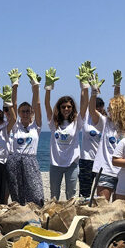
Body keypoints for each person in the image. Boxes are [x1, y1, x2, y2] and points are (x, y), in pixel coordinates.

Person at [89, 68, 125, 201]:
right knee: (102, 207)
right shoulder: (105, 123)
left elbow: (118, 101)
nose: (108, 110)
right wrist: (93, 92)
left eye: (111, 108)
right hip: (105, 171)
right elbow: (92, 110)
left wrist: (117, 87)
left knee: (119, 208)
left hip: (124, 172)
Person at [44, 66, 87, 201]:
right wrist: (48, 88)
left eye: (69, 106)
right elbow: (46, 104)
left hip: (72, 164)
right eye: (63, 107)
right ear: (59, 108)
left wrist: (84, 87)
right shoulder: (53, 123)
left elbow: (84, 104)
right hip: (55, 164)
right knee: (54, 194)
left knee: (71, 193)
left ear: (72, 108)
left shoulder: (77, 122)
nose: (66, 109)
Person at [5, 68, 44, 206]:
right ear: (19, 113)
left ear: (31, 113)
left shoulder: (36, 126)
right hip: (15, 160)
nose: (26, 113)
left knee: (36, 192)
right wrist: (14, 85)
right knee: (17, 194)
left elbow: (37, 105)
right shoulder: (15, 125)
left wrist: (35, 87)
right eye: (23, 111)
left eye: (28, 111)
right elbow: (13, 105)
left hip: (30, 160)